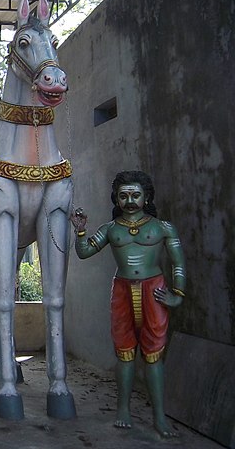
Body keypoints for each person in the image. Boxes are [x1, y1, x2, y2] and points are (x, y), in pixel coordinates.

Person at [70, 170, 185, 438]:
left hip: (154, 290)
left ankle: (159, 416)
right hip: (121, 290)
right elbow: (85, 252)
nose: (130, 200)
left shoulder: (163, 227)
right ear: (116, 200)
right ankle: (123, 409)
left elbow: (178, 262)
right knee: (124, 353)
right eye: (123, 196)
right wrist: (80, 230)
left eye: (135, 195)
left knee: (154, 354)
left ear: (146, 198)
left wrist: (177, 293)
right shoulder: (110, 229)